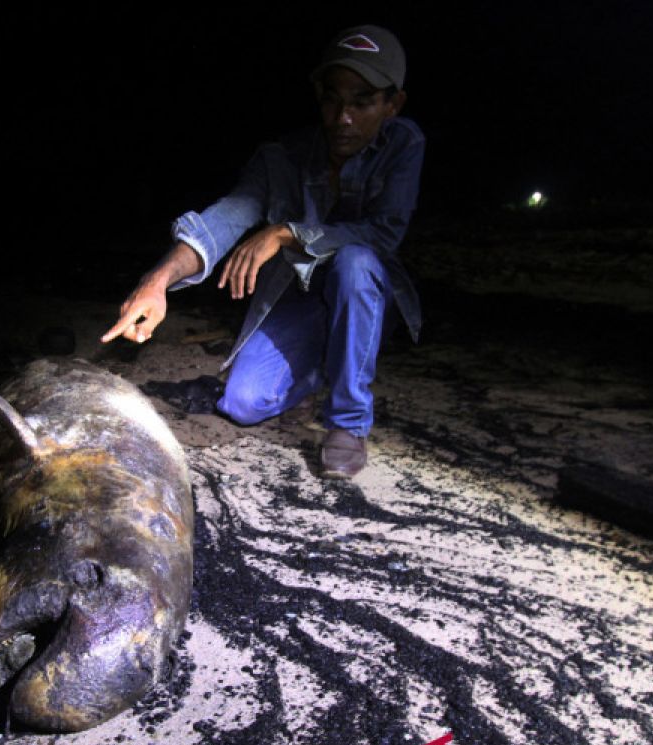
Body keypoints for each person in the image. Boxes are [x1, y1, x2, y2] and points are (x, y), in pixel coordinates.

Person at [101, 24, 424, 479]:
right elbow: (224, 220)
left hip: (366, 290)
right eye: (332, 98)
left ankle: (348, 422)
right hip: (301, 294)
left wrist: (286, 232)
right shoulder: (284, 156)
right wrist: (156, 283)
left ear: (393, 104)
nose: (343, 118)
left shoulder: (404, 144)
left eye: (363, 101)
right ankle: (321, 368)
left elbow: (383, 234)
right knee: (242, 402)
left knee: (355, 262)